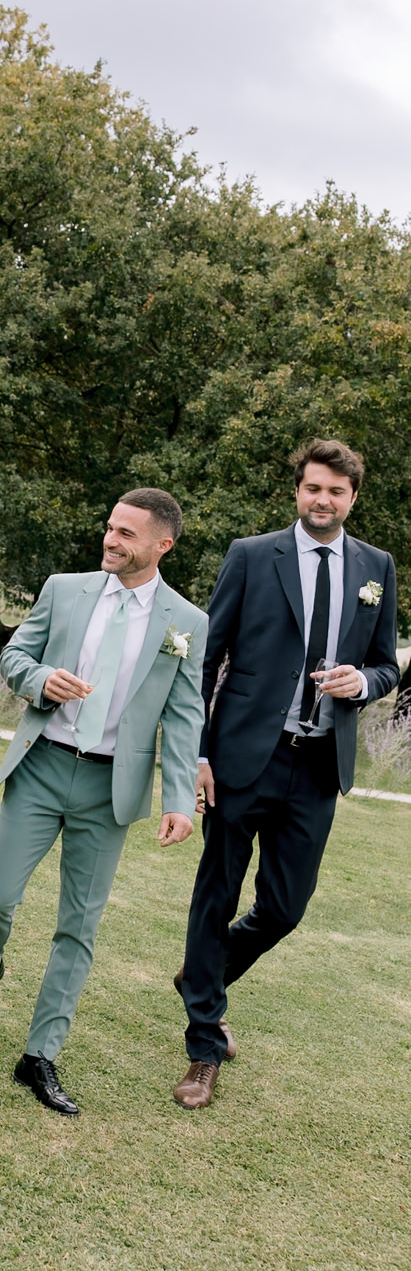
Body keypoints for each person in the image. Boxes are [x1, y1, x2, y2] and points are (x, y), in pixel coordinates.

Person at [0, 489, 205, 1117]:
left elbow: (184, 713)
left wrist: (179, 798)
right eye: (110, 527)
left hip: (110, 789)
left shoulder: (186, 622)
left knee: (78, 927)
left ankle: (40, 1054)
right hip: (41, 767)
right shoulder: (64, 589)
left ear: (162, 545)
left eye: (127, 534)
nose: (111, 540)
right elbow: (14, 655)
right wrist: (40, 680)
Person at [173, 439, 398, 1109]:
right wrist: (199, 755)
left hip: (319, 763)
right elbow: (205, 659)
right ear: (297, 491)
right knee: (216, 893)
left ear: (352, 497)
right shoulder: (251, 555)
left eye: (335, 491)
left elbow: (386, 663)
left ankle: (202, 975)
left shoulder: (376, 567)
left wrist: (363, 681)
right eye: (312, 488)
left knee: (283, 908)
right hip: (244, 756)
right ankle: (202, 1047)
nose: (322, 500)